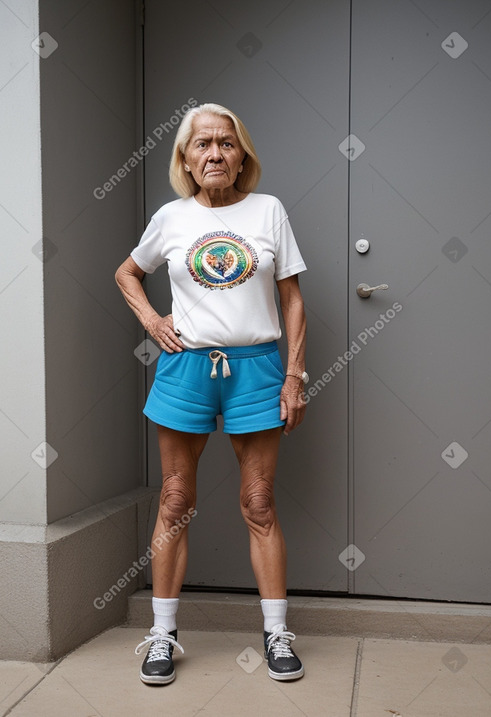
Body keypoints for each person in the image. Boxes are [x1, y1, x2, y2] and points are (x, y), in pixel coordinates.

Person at [115, 102, 308, 685]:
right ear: (186, 159)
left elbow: (293, 299)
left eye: (226, 143)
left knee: (259, 504)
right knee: (175, 502)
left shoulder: (268, 210)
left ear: (241, 153)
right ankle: (162, 636)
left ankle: (277, 634)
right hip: (185, 368)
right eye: (202, 145)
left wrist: (294, 376)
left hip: (256, 368)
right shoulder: (171, 218)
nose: (215, 153)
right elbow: (128, 272)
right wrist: (153, 322)